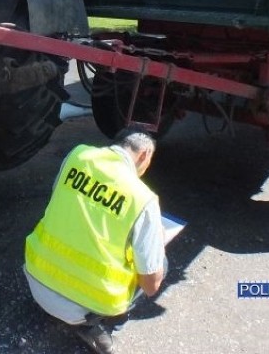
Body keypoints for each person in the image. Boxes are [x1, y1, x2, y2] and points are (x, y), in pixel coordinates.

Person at [24, 128, 166, 354]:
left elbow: (59, 197)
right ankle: (90, 324)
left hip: (35, 277)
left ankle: (60, 305)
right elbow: (151, 286)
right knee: (158, 264)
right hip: (84, 306)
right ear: (144, 154)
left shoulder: (77, 156)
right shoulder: (143, 198)